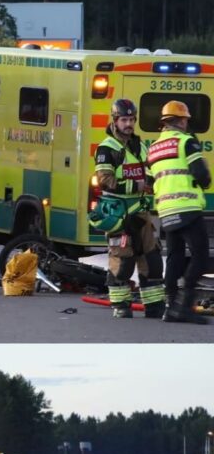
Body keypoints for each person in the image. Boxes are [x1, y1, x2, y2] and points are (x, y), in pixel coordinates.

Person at [94, 99, 165, 318]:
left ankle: (154, 306)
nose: (128, 124)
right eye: (124, 119)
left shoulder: (140, 145)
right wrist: (136, 185)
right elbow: (105, 180)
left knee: (152, 262)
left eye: (131, 119)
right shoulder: (107, 148)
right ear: (115, 121)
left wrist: (153, 182)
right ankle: (121, 306)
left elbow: (148, 171)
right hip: (119, 215)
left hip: (142, 215)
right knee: (122, 263)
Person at [147, 100, 212, 324]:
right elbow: (202, 175)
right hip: (188, 208)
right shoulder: (187, 143)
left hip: (165, 210)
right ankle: (184, 306)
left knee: (174, 257)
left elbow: (150, 180)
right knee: (201, 258)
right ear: (182, 121)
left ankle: (170, 307)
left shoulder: (154, 148)